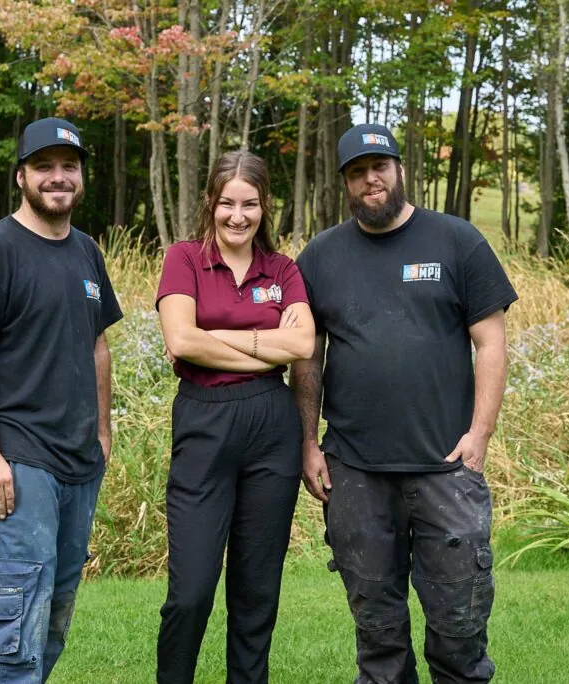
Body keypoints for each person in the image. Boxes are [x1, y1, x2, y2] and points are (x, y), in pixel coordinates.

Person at [292, 123, 518, 684]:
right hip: (354, 471)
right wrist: (308, 443)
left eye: (380, 167)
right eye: (357, 172)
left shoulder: (457, 241)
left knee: (459, 622)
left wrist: (480, 436)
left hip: (446, 466)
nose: (371, 180)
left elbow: (491, 343)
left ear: (398, 168)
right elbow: (306, 358)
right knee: (377, 628)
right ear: (344, 182)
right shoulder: (319, 257)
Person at [0, 117, 123, 684]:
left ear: (80, 177)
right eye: (44, 167)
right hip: (21, 460)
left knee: (56, 606)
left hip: (79, 460)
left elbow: (97, 344)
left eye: (68, 167)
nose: (58, 178)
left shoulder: (86, 253)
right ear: (21, 176)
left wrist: (103, 431)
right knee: (19, 599)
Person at [155, 150, 316, 684]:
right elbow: (179, 339)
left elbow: (303, 344)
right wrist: (264, 344)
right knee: (192, 591)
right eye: (227, 203)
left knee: (257, 588)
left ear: (264, 207)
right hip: (205, 423)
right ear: (210, 203)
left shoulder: (284, 269)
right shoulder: (184, 259)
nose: (238, 216)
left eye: (249, 204)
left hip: (273, 426)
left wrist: (215, 338)